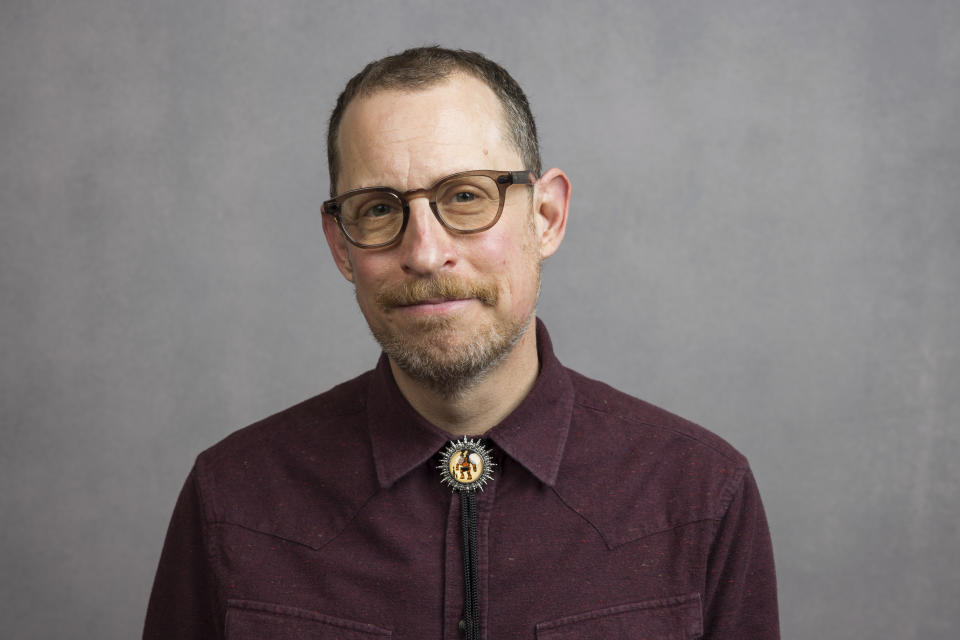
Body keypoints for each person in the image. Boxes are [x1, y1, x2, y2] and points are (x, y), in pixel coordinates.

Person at [144, 46, 779, 639]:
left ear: (546, 217)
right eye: (378, 209)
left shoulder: (700, 494)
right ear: (341, 245)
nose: (425, 252)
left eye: (467, 196)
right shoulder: (232, 498)